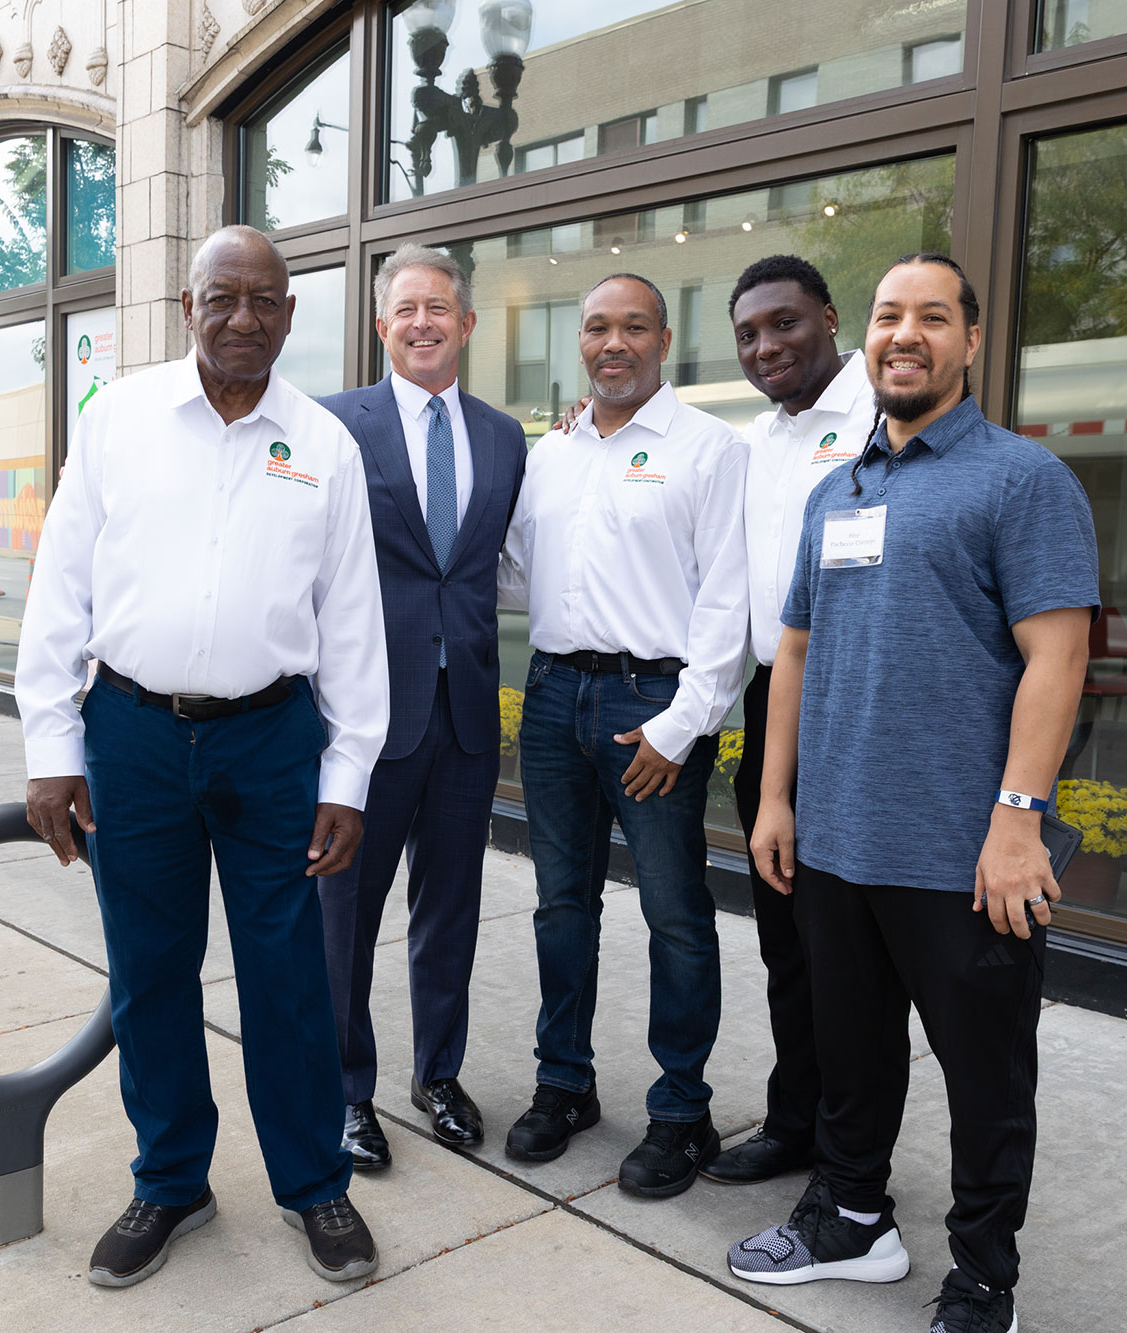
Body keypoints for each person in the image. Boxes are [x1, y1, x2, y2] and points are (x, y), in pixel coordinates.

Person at [726, 253, 1096, 1333]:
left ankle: (983, 1279)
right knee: (850, 1054)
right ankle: (852, 1218)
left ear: (969, 342)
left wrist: (1017, 823)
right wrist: (776, 800)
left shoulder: (1021, 479)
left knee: (985, 1078)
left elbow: (1058, 657)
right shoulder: (836, 489)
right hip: (837, 841)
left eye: (932, 316)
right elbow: (793, 653)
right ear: (867, 338)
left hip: (961, 853)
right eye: (889, 314)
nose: (905, 333)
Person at [16, 225, 390, 1290]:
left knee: (288, 976)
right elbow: (61, 586)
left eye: (263, 300)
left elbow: (351, 621)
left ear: (289, 314)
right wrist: (51, 745)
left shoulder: (323, 444)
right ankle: (171, 1178)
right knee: (148, 970)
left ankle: (313, 1182)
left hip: (273, 740)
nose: (241, 317)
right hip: (130, 733)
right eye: (221, 297)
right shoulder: (119, 418)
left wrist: (347, 775)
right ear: (187, 306)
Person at [497, 272, 749, 1198]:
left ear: (664, 339)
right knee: (561, 905)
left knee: (675, 914)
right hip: (553, 694)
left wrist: (680, 727)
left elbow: (728, 602)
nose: (613, 343)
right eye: (597, 327)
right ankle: (565, 1084)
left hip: (654, 703)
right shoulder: (553, 453)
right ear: (580, 342)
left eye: (633, 327)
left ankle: (682, 1110)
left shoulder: (711, 450)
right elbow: (515, 572)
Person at [313, 245, 527, 1169]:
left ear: (467, 324)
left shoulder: (504, 436)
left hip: (466, 714)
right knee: (345, 914)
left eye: (439, 307)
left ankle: (438, 1074)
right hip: (365, 717)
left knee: (451, 909)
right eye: (405, 308)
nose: (422, 322)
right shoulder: (332, 425)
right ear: (381, 324)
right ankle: (342, 1091)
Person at [701, 254, 876, 1187]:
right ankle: (796, 1122)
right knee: (789, 939)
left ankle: (852, 1155)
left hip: (864, 701)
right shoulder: (757, 441)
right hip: (778, 698)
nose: (766, 345)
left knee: (855, 951)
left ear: (831, 317)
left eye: (785, 323)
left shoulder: (883, 415)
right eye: (748, 333)